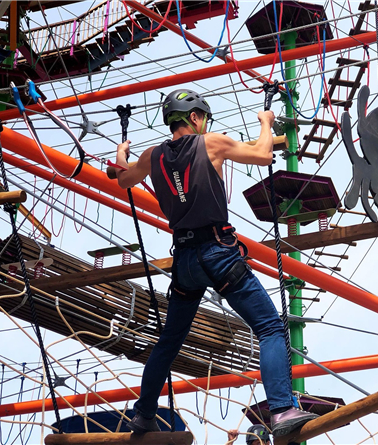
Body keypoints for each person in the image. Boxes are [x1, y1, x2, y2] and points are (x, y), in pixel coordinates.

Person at [115, 89, 318, 437]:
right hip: (217, 252)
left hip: (185, 260)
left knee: (170, 340)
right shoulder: (211, 143)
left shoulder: (152, 156)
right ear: (194, 118)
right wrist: (265, 123)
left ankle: (143, 414)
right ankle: (282, 409)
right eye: (204, 118)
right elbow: (263, 154)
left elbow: (122, 178)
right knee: (270, 327)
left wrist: (122, 153)